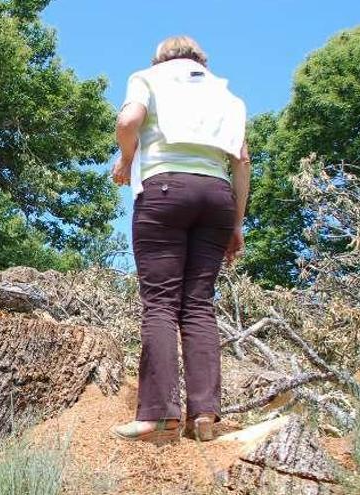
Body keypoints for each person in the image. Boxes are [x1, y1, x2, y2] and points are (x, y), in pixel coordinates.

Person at [110, 36, 250, 443]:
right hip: (218, 198)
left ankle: (158, 416)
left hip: (166, 191)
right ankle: (204, 416)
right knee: (199, 305)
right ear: (200, 60)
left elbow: (127, 122)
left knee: (160, 303)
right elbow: (241, 160)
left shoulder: (148, 78)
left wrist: (126, 157)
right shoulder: (228, 95)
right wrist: (236, 224)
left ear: (160, 58)